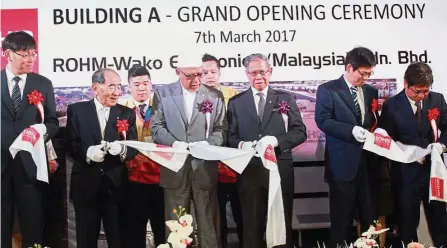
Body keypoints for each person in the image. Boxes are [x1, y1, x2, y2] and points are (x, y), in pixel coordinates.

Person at [227, 53, 307, 248]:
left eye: (262, 71)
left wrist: (277, 141)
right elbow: (229, 138)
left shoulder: (285, 98)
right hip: (250, 173)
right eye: (253, 73)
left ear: (270, 72)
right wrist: (242, 145)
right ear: (247, 75)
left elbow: (300, 132)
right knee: (251, 228)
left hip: (280, 172)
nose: (258, 76)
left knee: (281, 225)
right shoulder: (236, 102)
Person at [150, 53, 228, 247]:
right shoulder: (163, 94)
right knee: (177, 224)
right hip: (175, 168)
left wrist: (208, 144)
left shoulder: (214, 95)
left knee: (209, 223)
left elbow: (221, 129)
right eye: (190, 76)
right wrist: (175, 144)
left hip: (204, 168)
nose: (196, 80)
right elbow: (157, 127)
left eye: (199, 74)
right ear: (178, 72)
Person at [66, 68, 137, 248]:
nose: (117, 92)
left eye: (119, 87)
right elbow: (70, 144)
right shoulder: (77, 110)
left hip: (116, 187)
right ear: (95, 87)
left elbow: (133, 148)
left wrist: (122, 150)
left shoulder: (127, 113)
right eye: (111, 86)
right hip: (86, 186)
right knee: (85, 240)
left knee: (118, 240)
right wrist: (88, 153)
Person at [315, 47, 379, 248]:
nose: (366, 78)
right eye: (363, 73)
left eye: (370, 74)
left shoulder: (370, 91)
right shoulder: (328, 90)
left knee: (370, 221)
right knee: (342, 222)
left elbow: (374, 120)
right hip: (342, 166)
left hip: (368, 165)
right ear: (350, 67)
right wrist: (350, 131)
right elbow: (323, 121)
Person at [378, 62, 447, 247]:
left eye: (426, 91)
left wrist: (441, 145)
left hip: (434, 172)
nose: (422, 96)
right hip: (406, 173)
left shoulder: (437, 100)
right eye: (417, 91)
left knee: (440, 221)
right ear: (406, 84)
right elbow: (385, 139)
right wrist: (406, 152)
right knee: (407, 222)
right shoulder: (392, 105)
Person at [1, 31, 59, 248]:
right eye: (24, 54)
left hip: (31, 163)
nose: (30, 59)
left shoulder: (43, 84)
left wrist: (40, 131)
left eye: (33, 54)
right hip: (1, 163)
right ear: (8, 53)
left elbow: (53, 122)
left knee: (32, 223)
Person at [121, 65, 165, 247]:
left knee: (162, 229)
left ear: (151, 84)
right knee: (134, 230)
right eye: (136, 84)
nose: (141, 88)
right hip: (132, 179)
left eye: (145, 83)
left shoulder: (162, 107)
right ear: (128, 86)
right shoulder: (121, 109)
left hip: (160, 178)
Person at [201, 53, 243, 248]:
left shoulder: (233, 95)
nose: (209, 76)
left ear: (219, 73)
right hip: (208, 166)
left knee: (242, 213)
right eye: (205, 72)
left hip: (234, 163)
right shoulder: (195, 97)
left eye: (213, 72)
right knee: (215, 219)